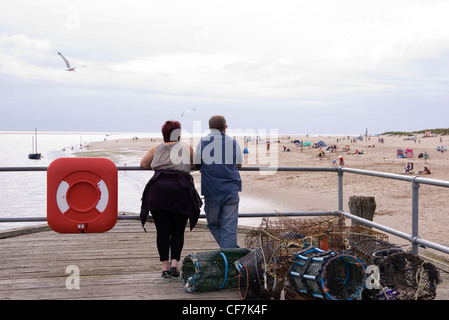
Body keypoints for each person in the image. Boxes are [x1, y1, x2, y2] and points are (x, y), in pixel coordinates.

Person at [140, 120, 202, 279]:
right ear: (179, 134)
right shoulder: (186, 147)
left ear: (163, 134)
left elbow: (143, 163)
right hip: (180, 190)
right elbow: (196, 164)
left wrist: (160, 164)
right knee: (178, 230)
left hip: (158, 190)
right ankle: (174, 264)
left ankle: (164, 268)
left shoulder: (156, 147)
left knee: (162, 231)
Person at [195, 115, 243, 249]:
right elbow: (239, 163)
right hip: (231, 189)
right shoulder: (233, 142)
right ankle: (231, 251)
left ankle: (229, 253)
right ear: (224, 128)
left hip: (212, 190)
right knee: (229, 227)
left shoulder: (203, 141)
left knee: (212, 223)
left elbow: (197, 163)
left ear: (210, 128)